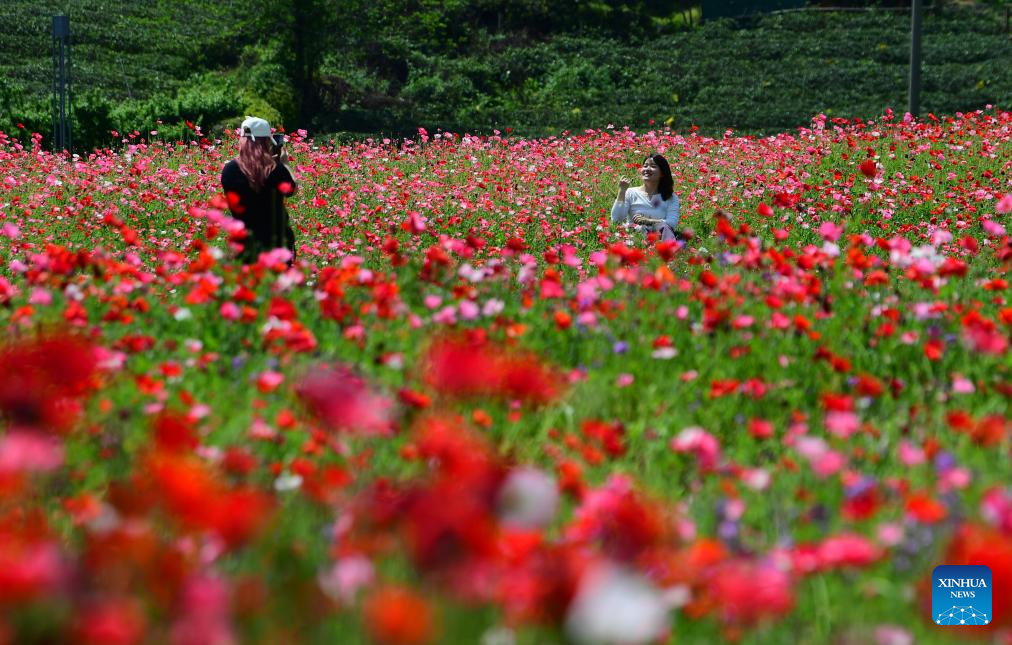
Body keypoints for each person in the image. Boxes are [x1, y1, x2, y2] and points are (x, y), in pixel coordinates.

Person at [221, 116, 298, 264]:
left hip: (244, 243)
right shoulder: (275, 169)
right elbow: (291, 190)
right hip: (277, 244)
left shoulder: (229, 170)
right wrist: (285, 164)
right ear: (266, 141)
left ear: (242, 140)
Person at [611, 153, 681, 241]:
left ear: (662, 173)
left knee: (664, 227)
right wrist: (622, 191)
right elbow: (616, 220)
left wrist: (648, 221)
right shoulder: (631, 193)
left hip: (660, 238)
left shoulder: (670, 197)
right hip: (635, 239)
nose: (647, 169)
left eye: (653, 166)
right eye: (645, 166)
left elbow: (672, 223)